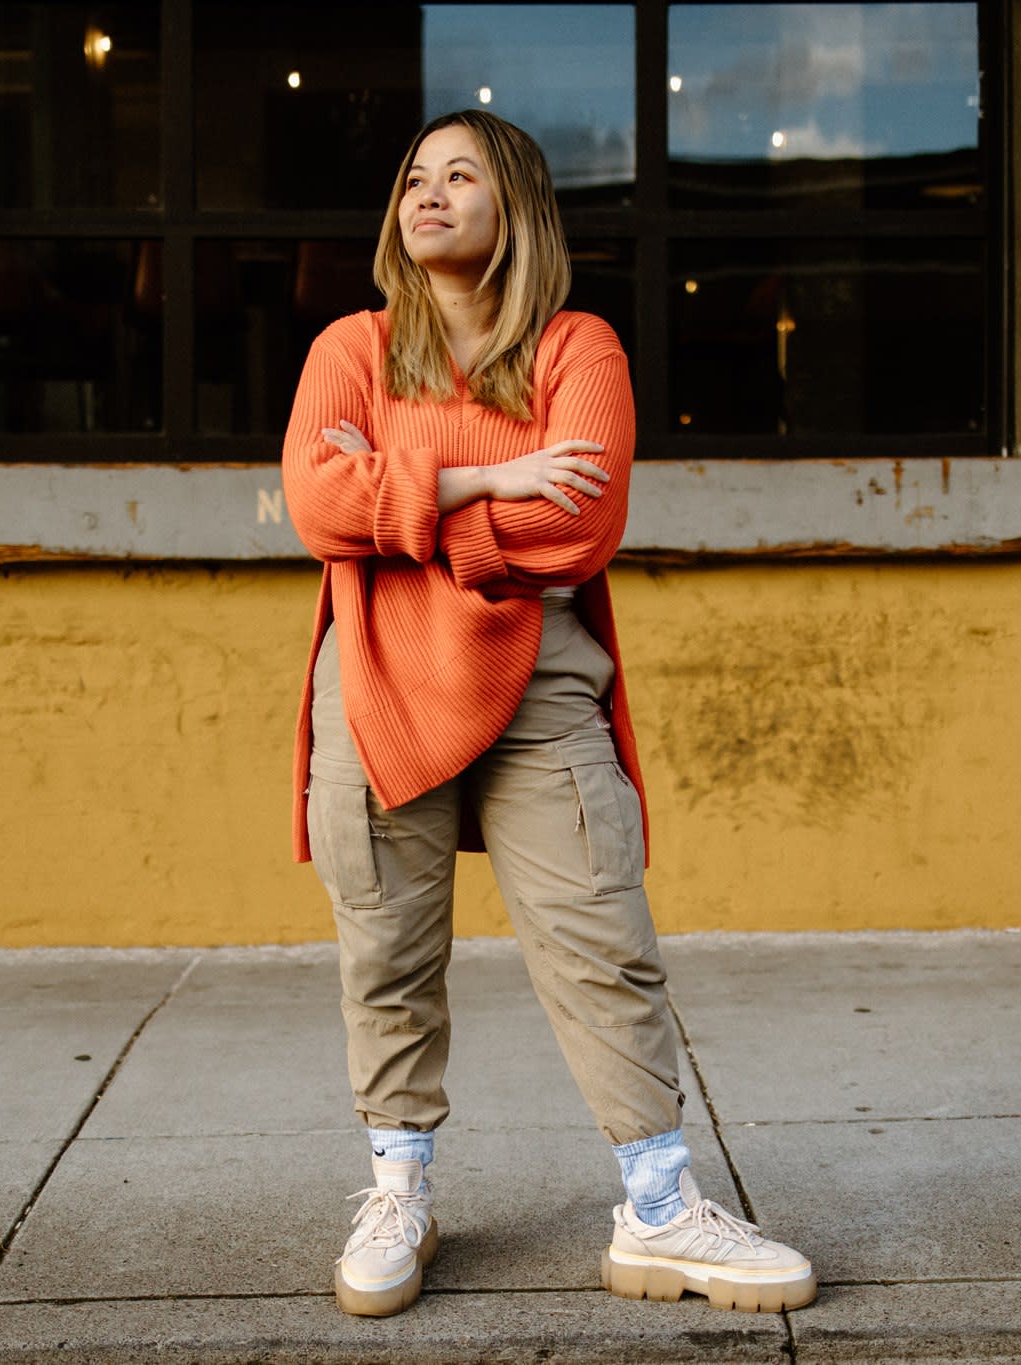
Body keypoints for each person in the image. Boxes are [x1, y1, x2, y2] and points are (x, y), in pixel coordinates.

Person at [281, 108, 817, 1320]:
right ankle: (398, 1192)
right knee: (388, 955)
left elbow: (576, 526)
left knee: (601, 945)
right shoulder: (348, 349)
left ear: (514, 205)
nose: (429, 194)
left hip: (540, 686)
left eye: (461, 175)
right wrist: (484, 478)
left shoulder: (580, 348)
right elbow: (315, 506)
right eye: (414, 176)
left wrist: (404, 513)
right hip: (375, 677)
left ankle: (659, 1207)